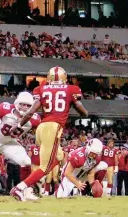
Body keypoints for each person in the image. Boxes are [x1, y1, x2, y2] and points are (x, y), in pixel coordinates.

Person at [13, 67, 88, 201]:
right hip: (53, 128)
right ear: (64, 77)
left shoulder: (41, 89)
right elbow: (82, 110)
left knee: (59, 156)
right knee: (45, 168)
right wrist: (83, 112)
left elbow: (30, 112)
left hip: (41, 128)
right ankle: (20, 188)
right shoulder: (71, 89)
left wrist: (19, 125)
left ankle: (32, 186)